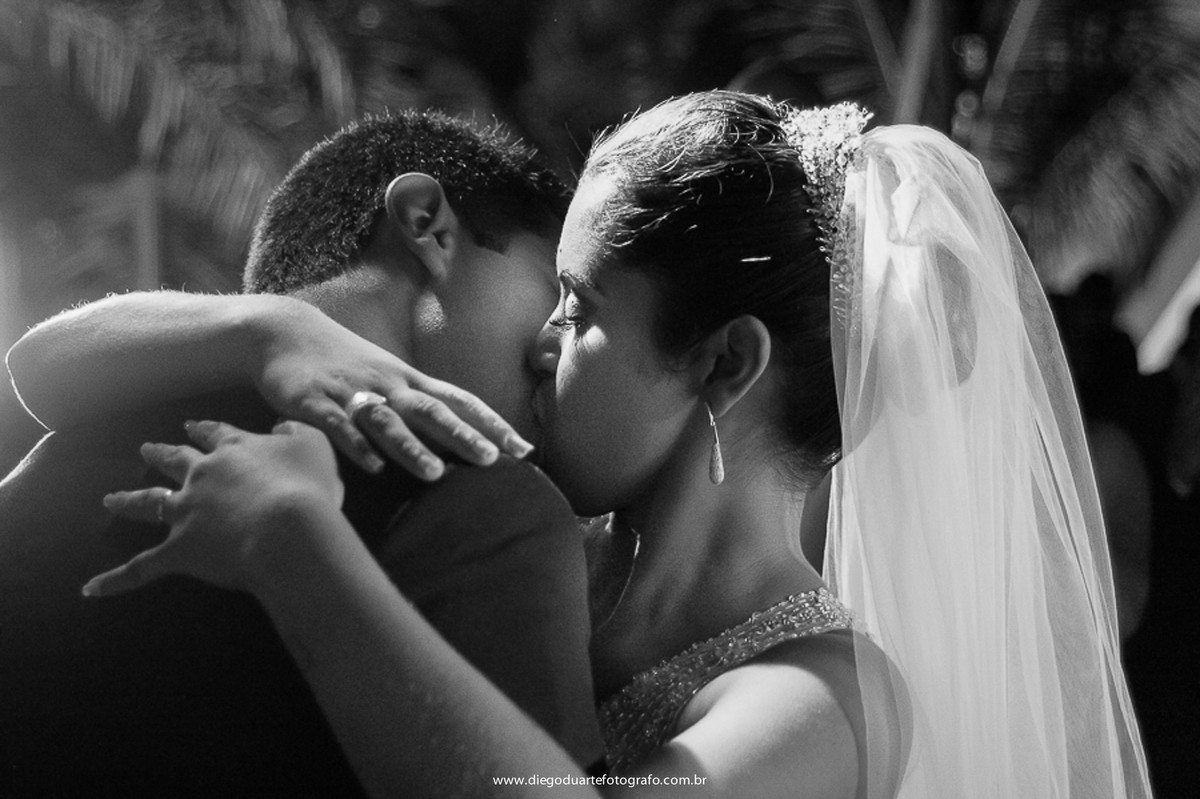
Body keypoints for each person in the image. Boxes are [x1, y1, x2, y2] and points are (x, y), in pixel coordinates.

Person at [12, 91, 1153, 797]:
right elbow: (48, 367)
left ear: (724, 364)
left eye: (582, 303)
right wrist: (277, 325)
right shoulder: (530, 521)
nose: (545, 339)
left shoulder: (825, 699)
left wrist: (296, 546)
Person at [0, 110, 603, 795]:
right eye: (556, 292)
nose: (557, 345)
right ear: (427, 224)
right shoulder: (481, 505)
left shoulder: (54, 459)